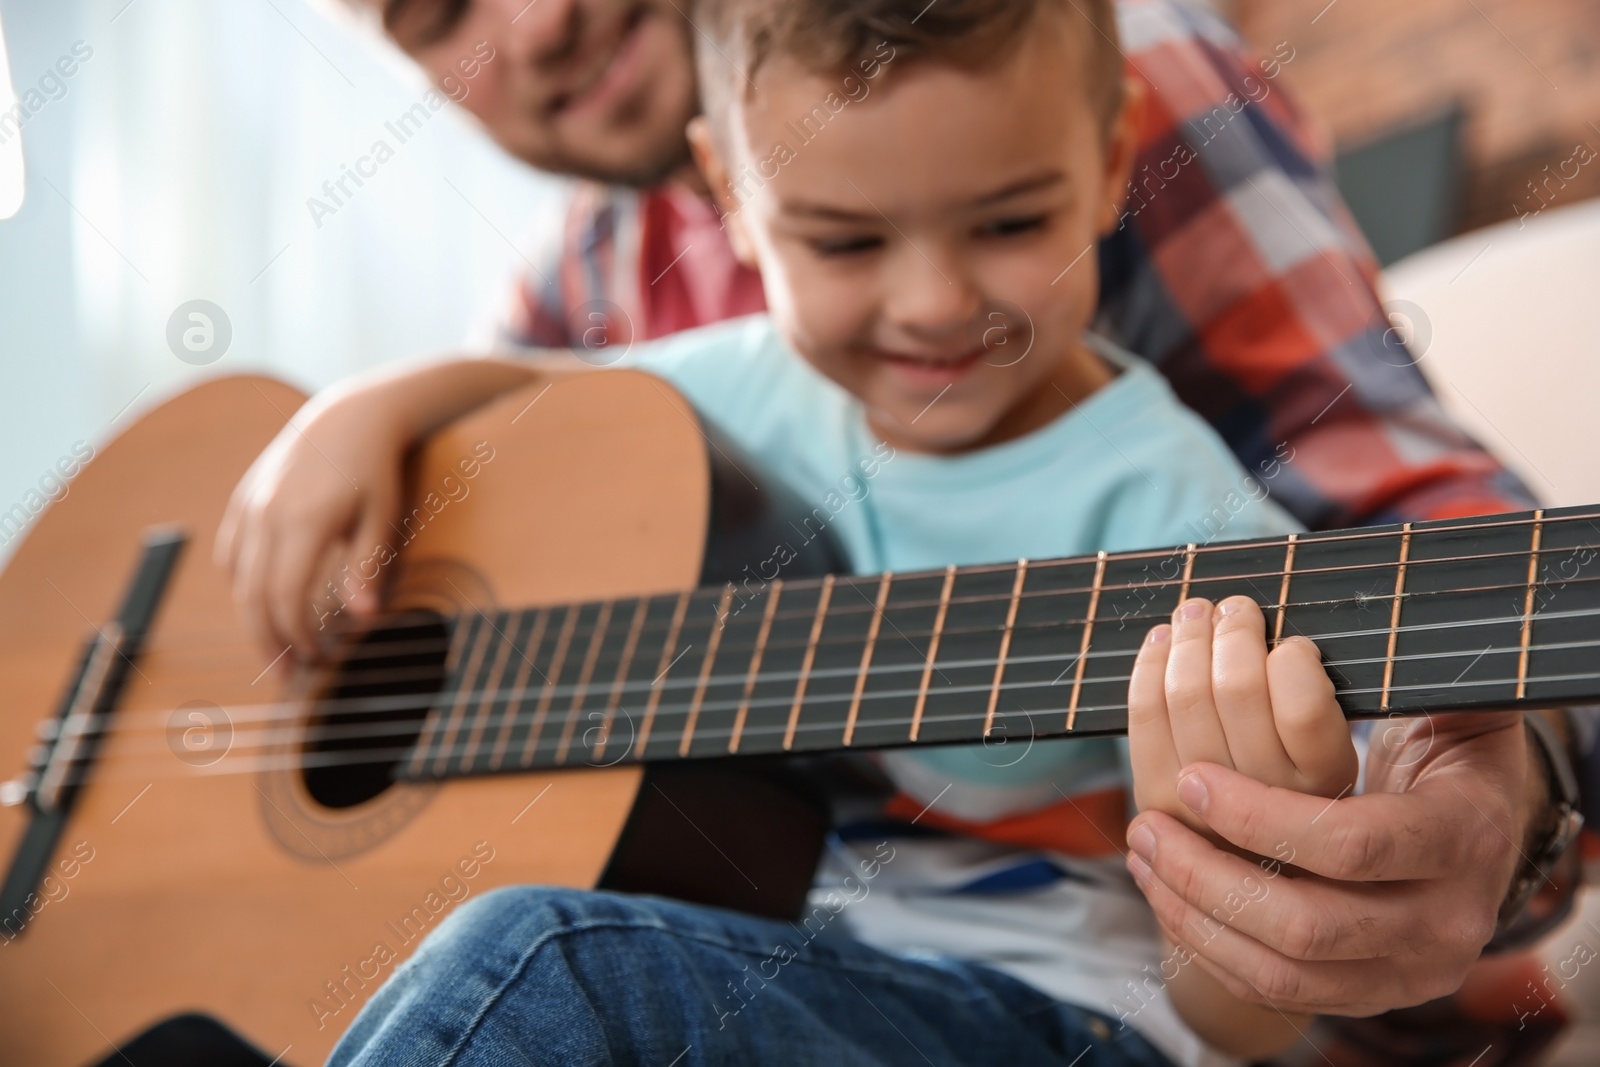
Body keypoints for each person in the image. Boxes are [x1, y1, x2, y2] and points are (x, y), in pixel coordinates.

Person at [219, 1, 1582, 1063]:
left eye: (1005, 221)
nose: (933, 303)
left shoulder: (1178, 521)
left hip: (1057, 1016)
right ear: (736, 204)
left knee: (538, 965)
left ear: (1113, 155)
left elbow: (1235, 1015)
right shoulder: (704, 358)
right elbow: (535, 401)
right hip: (773, 965)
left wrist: (1259, 890)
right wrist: (362, 408)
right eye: (846, 243)